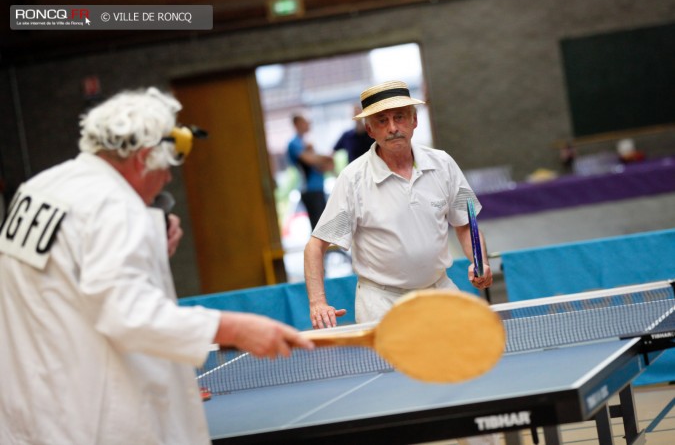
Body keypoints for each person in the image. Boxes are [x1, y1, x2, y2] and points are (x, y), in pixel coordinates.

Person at [0, 87, 313, 445]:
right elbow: (127, 312)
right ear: (142, 158)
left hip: (30, 411)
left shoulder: (40, 189)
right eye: (165, 167)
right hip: (91, 419)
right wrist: (232, 327)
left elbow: (66, 282)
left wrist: (148, 249)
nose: (167, 179)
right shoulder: (113, 206)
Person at [304, 80, 496, 445]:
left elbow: (466, 226)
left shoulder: (442, 165)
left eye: (400, 117)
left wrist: (479, 262)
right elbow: (316, 247)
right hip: (383, 303)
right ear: (370, 128)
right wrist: (317, 301)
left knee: (466, 385)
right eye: (383, 120)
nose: (393, 127)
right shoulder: (354, 180)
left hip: (440, 293)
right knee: (404, 404)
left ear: (414, 120)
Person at [287, 114, 334, 230]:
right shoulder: (294, 143)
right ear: (297, 124)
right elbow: (311, 160)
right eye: (304, 122)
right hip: (309, 190)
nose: (308, 124)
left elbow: (326, 166)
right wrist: (324, 158)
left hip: (318, 188)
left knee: (324, 227)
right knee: (319, 228)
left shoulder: (306, 144)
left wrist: (321, 158)